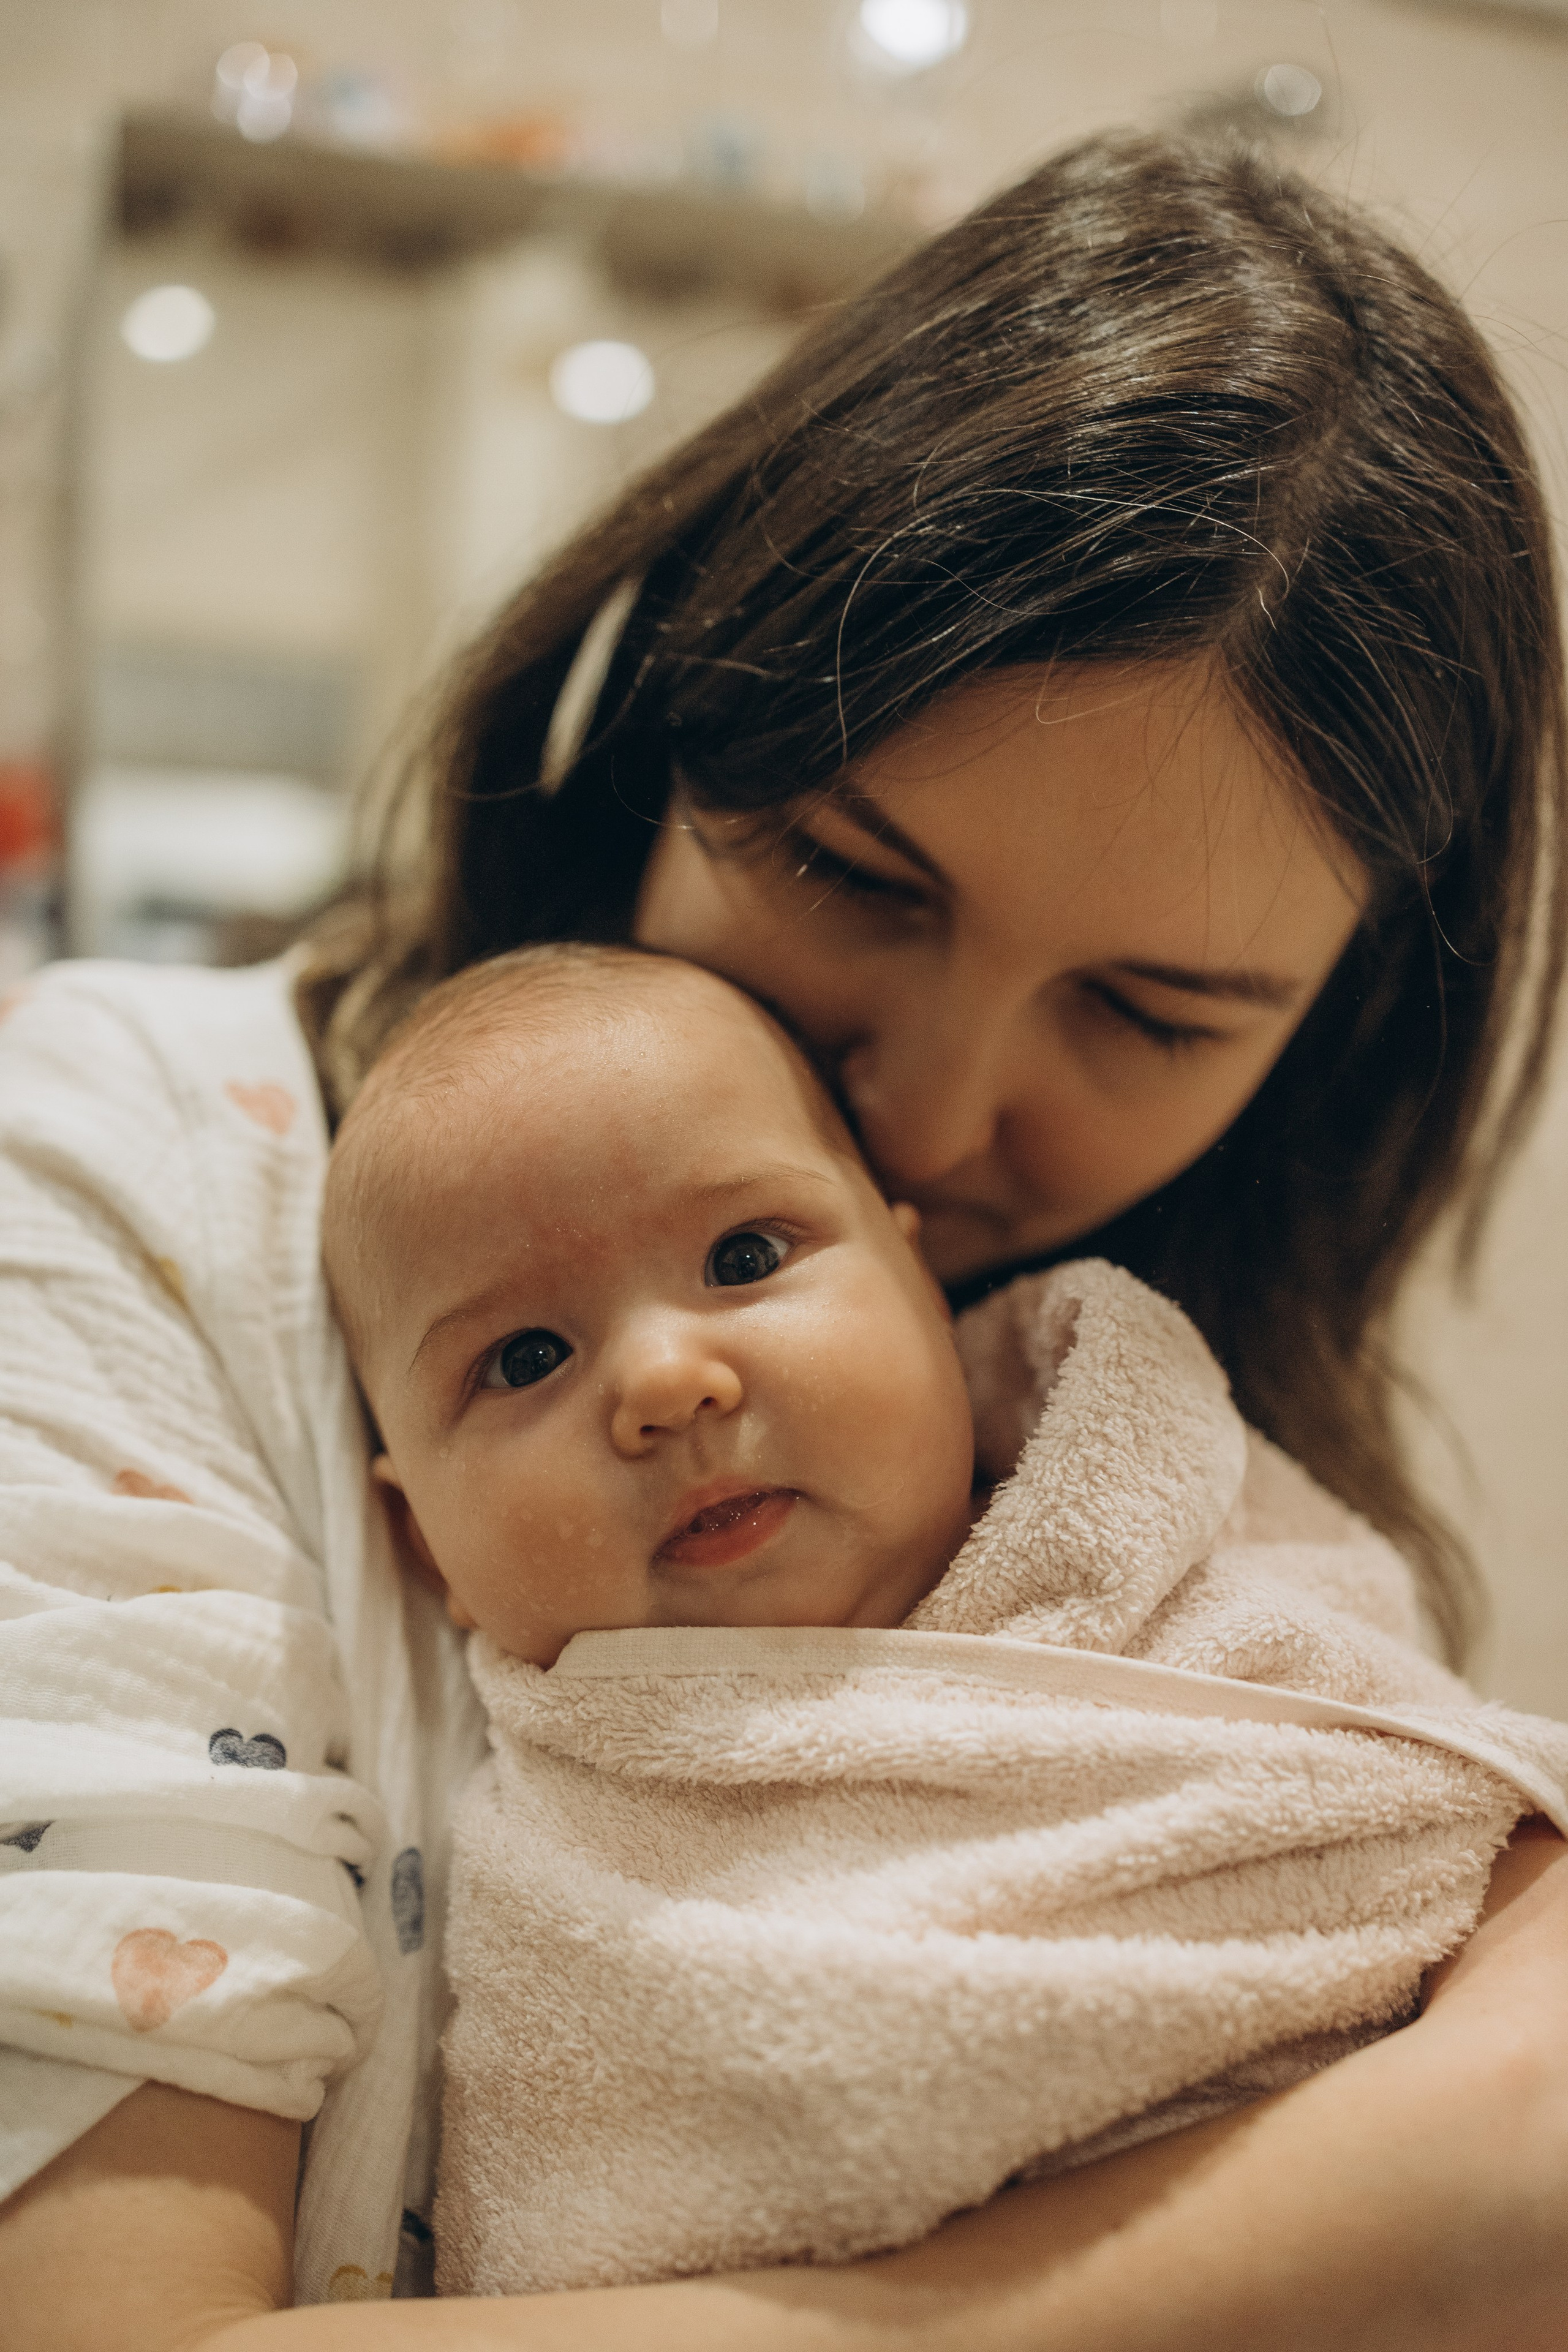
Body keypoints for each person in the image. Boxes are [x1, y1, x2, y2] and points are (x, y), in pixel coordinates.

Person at [4, 126, 1568, 2350]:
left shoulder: (1170, 1444)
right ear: (670, 708)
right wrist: (1356, 2238)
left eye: (1146, 1012)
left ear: (1321, 1046)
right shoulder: (121, 1181)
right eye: (854, 873)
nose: (927, 1117)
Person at [321, 940, 1564, 2303]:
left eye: (743, 1255)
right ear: (417, 1540)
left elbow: (1431, 1793)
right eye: (525, 1359)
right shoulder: (562, 1865)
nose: (668, 1381)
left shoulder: (1176, 1534)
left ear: (921, 1287)